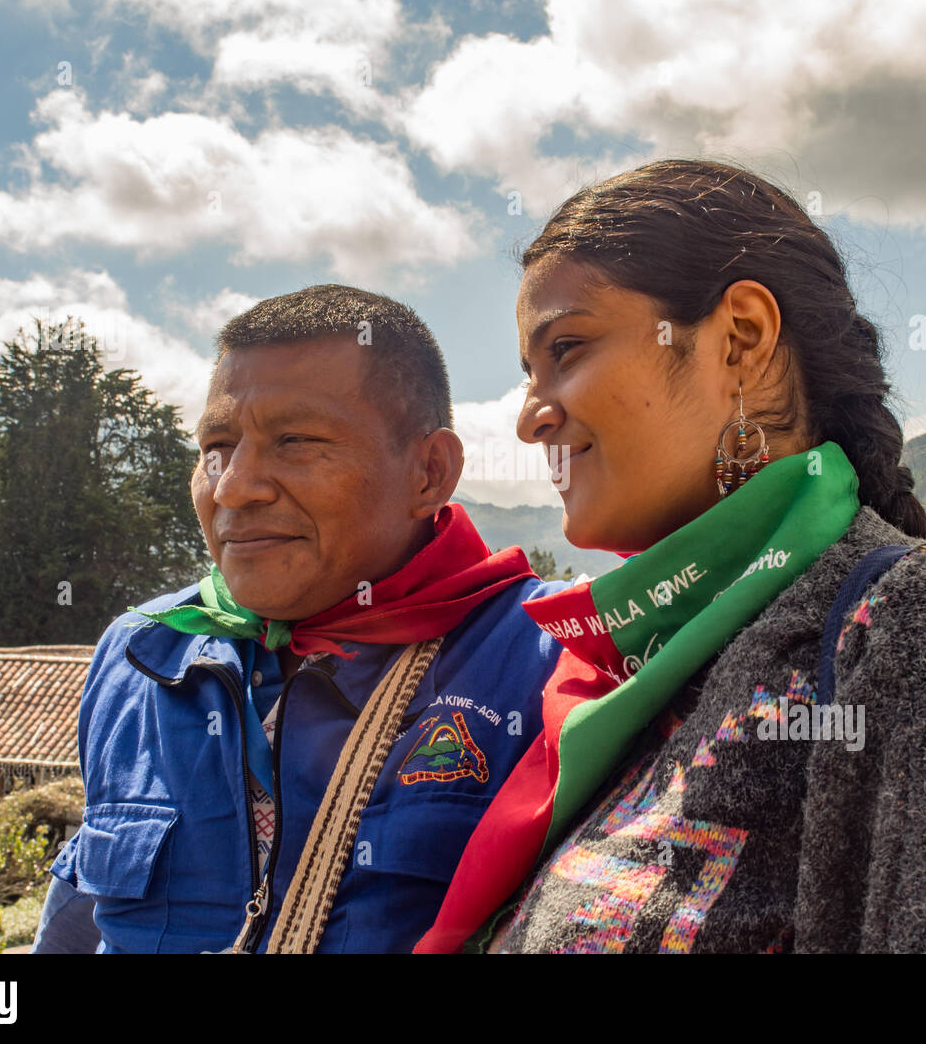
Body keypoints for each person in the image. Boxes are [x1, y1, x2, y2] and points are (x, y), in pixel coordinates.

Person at [415, 159, 926, 954]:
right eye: (529, 371)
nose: (531, 416)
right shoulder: (627, 682)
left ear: (741, 337)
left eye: (566, 347)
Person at [32, 285, 565, 954]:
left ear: (430, 471)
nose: (233, 487)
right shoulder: (143, 653)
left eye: (294, 440)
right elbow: (81, 918)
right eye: (217, 446)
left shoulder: (548, 657)